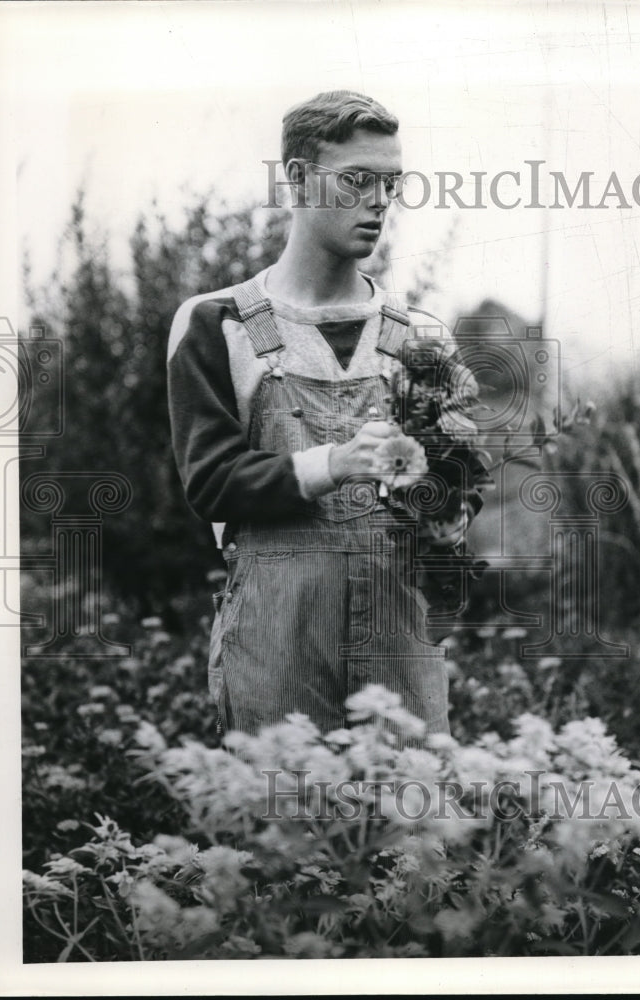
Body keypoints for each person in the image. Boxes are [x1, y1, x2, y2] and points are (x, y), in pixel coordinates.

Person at [167, 90, 476, 742]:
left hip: (401, 654)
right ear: (299, 179)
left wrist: (448, 514)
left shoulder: (424, 339)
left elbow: (460, 491)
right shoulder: (218, 324)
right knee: (284, 809)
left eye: (391, 183)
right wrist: (336, 462)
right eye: (357, 180)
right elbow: (210, 481)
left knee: (414, 808)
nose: (379, 201)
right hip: (276, 649)